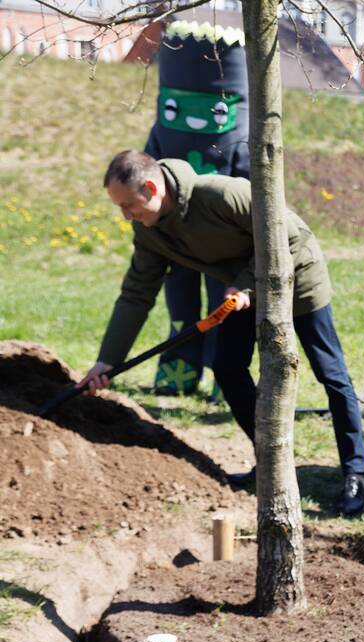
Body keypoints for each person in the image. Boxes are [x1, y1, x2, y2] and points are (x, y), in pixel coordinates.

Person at [80, 150, 364, 516]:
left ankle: (355, 473)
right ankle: (272, 462)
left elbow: (291, 236)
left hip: (297, 279)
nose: (125, 216)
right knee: (227, 367)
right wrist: (107, 361)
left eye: (128, 205)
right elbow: (136, 294)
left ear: (152, 187)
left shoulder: (221, 195)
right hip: (241, 294)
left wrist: (247, 286)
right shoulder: (149, 232)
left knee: (330, 374)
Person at [145, 20, 250, 398]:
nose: (192, 119)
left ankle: (226, 375)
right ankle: (180, 368)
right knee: (180, 302)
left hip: (224, 241)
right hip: (176, 236)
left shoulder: (240, 142)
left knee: (226, 306)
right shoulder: (160, 136)